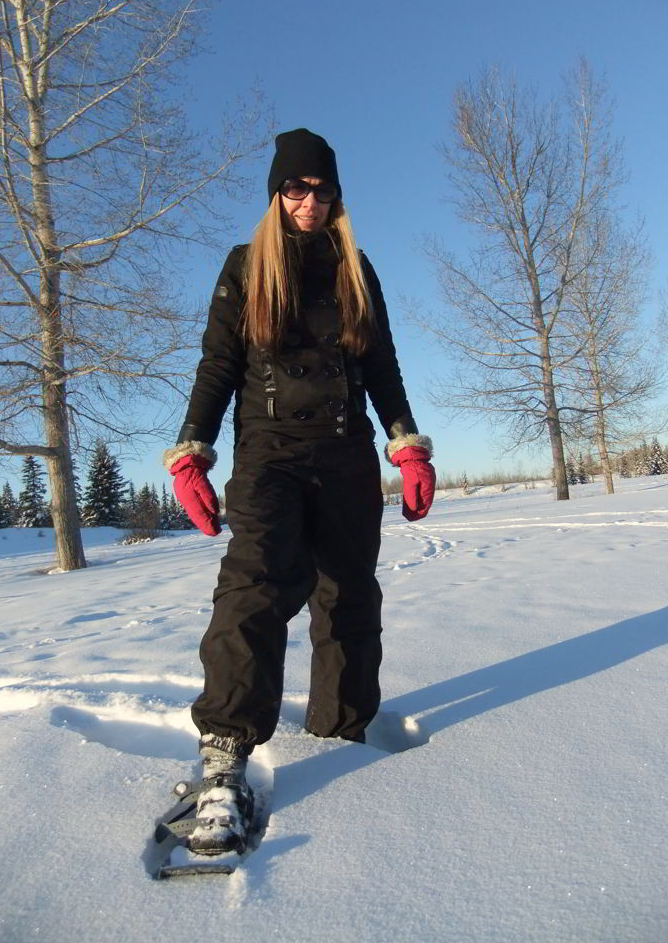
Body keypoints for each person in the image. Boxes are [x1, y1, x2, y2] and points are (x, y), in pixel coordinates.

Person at [163, 128, 435, 855]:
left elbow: (383, 368)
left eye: (322, 189)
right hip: (270, 457)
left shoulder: (356, 268)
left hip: (346, 458)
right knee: (253, 584)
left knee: (348, 593)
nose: (310, 201)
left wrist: (405, 442)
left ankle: (343, 732)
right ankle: (224, 754)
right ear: (276, 195)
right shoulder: (245, 266)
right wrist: (192, 451)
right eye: (296, 188)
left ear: (336, 196)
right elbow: (218, 366)